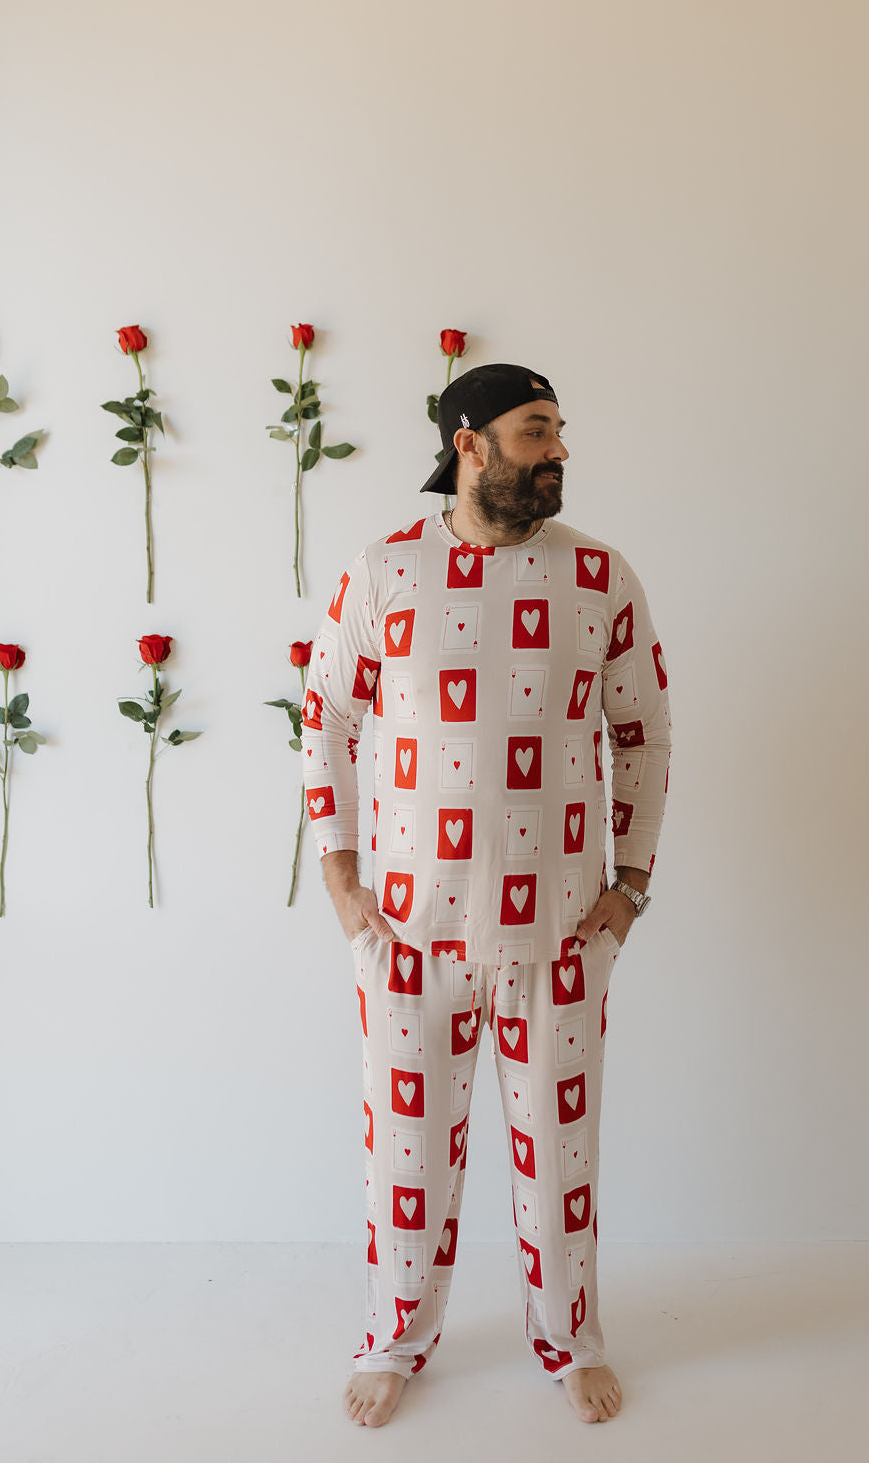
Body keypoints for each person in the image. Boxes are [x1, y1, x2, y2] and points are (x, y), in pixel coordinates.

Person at [302, 363, 671, 1427]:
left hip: (558, 934)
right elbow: (326, 721)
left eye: (557, 431)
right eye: (534, 430)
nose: (557, 451)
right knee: (403, 1158)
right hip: (411, 935)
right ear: (469, 443)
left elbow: (640, 731)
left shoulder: (599, 576)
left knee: (561, 1155)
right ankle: (394, 1336)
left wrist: (630, 885)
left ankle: (569, 1340)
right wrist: (341, 880)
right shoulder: (383, 573)